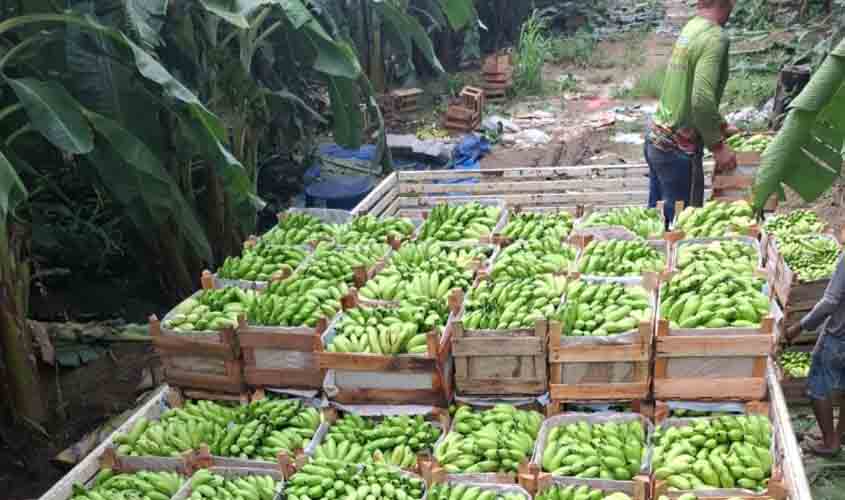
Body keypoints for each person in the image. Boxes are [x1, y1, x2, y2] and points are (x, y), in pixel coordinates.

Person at [645, 0, 739, 227]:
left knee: (657, 224)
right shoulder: (715, 37)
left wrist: (720, 124)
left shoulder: (693, 27)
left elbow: (686, 89)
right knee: (683, 228)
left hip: (657, 141)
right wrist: (718, 147)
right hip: (678, 152)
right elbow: (701, 99)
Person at [785, 253, 845, 456]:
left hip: (839, 337)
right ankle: (838, 435)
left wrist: (800, 326)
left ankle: (829, 443)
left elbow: (830, 301)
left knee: (817, 387)